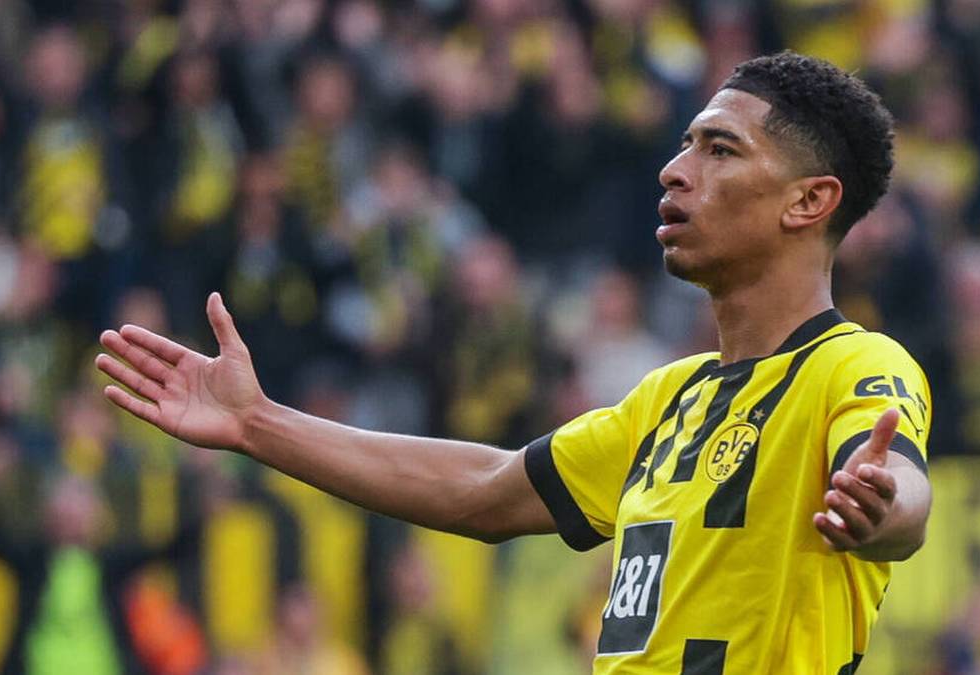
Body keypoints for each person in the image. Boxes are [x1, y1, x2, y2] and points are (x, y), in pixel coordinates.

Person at [96, 52, 933, 673]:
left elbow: (899, 486)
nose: (675, 170)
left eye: (721, 150)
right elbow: (486, 488)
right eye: (685, 144)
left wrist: (882, 505)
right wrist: (258, 423)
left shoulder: (852, 364)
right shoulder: (667, 400)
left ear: (808, 200)